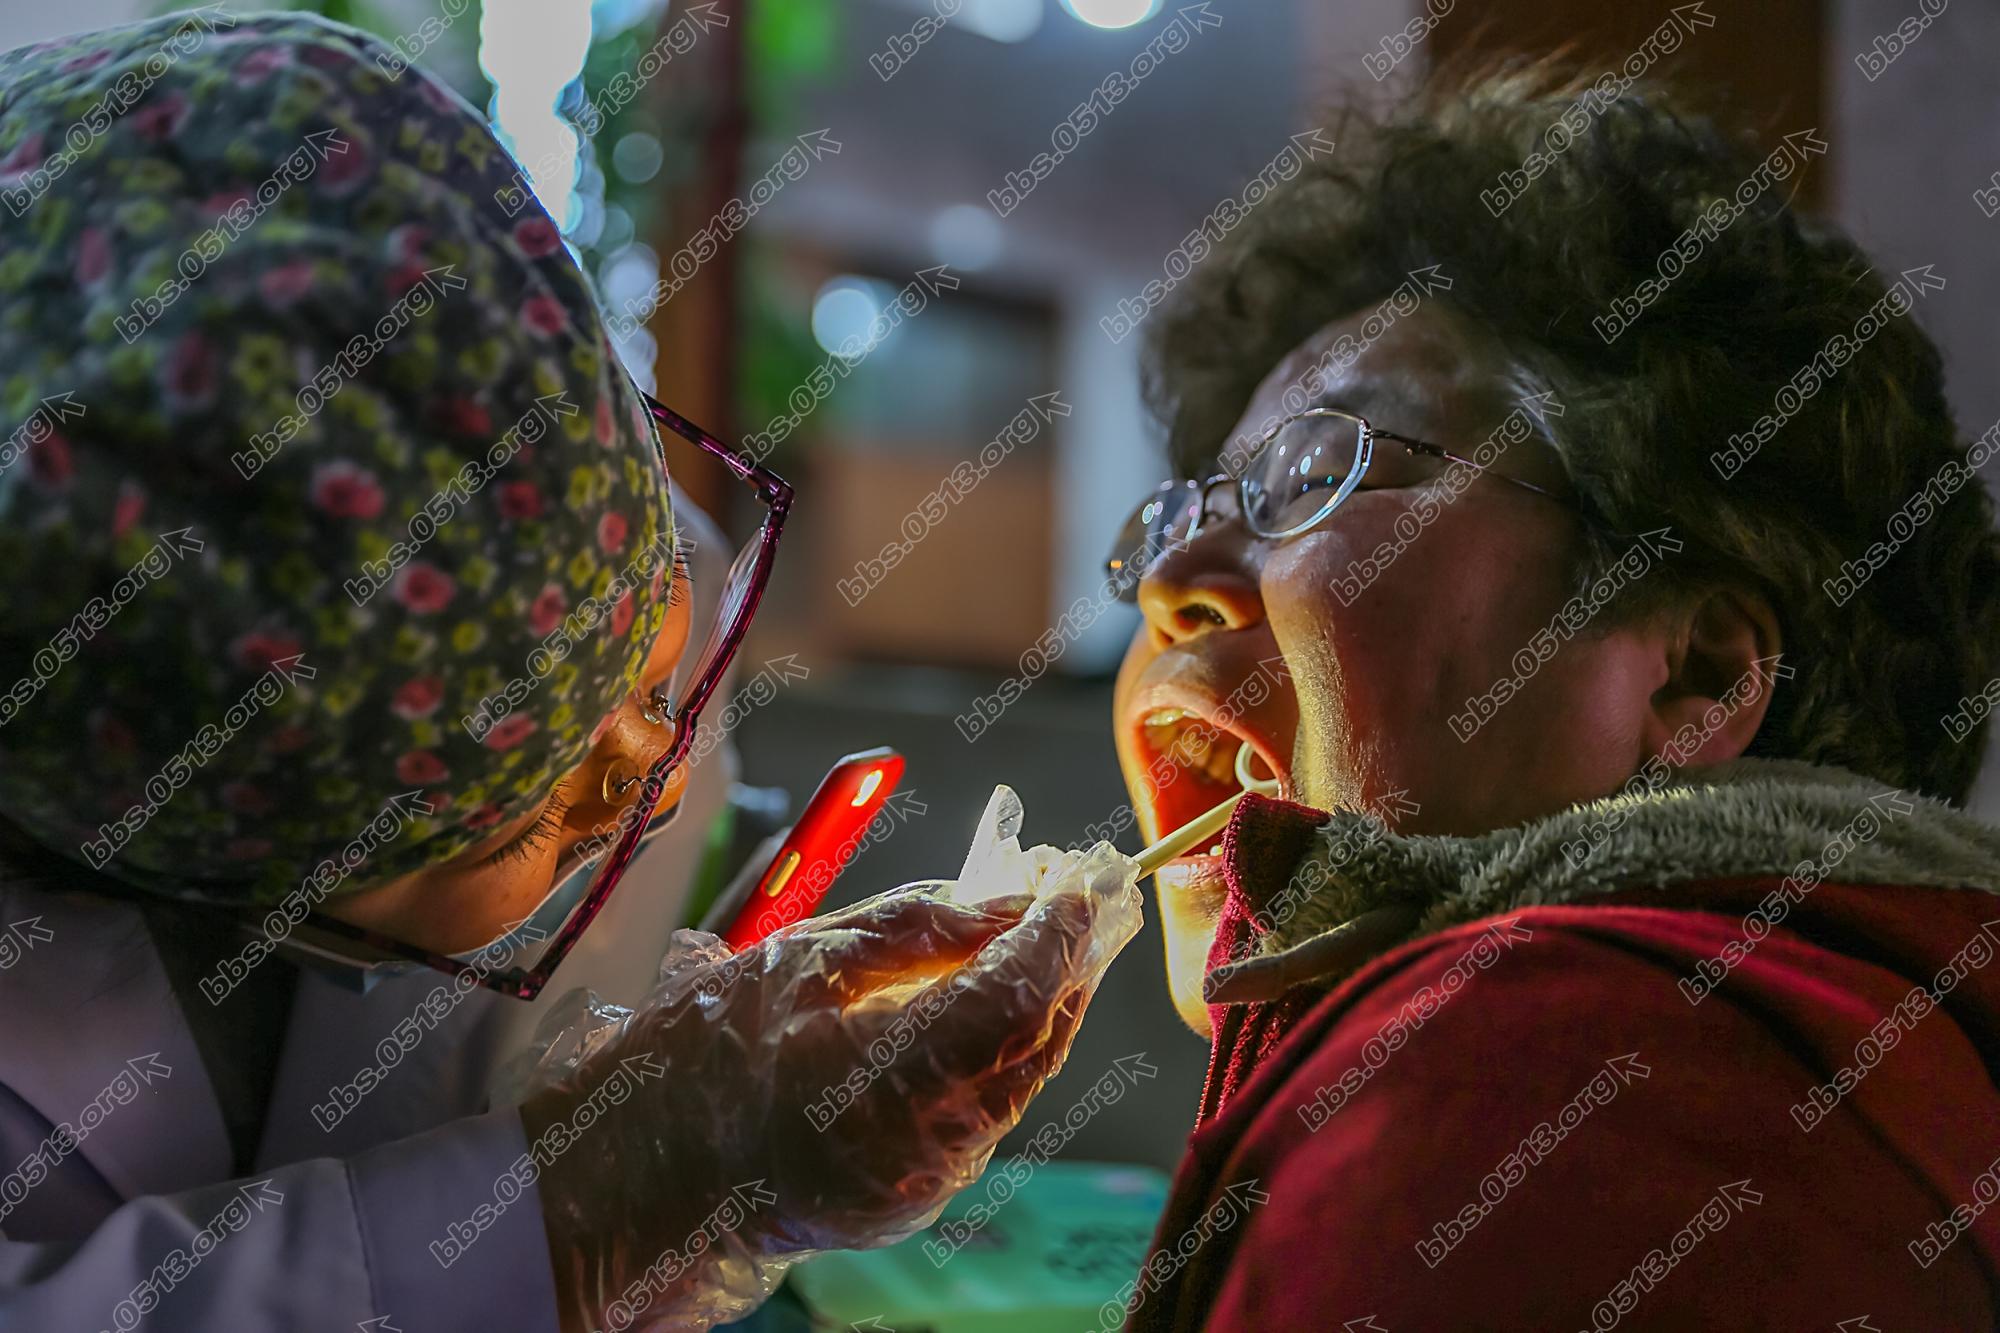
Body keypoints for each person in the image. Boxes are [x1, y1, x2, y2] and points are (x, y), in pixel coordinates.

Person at [0, 13, 1138, 1331]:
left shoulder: (539, 532)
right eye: (552, 799)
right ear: (234, 851)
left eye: (657, 678)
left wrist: (691, 1106)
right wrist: (619, 1182)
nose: (651, 775)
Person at [1106, 62, 2000, 1330]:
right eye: (1180, 513)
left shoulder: (1532, 1078)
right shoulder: (1860, 1054)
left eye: (1313, 472)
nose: (1173, 583)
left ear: (1688, 677)